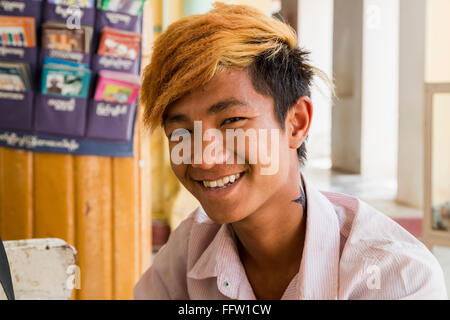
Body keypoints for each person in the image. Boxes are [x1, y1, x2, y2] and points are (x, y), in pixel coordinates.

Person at [134, 3, 447, 300]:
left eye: (232, 121)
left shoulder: (396, 277)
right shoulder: (191, 247)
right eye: (181, 132)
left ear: (297, 123)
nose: (203, 156)